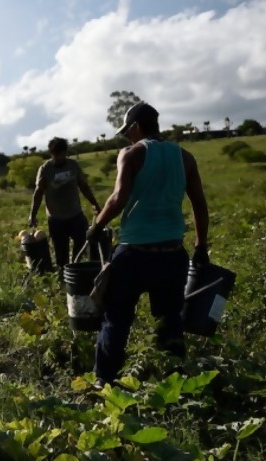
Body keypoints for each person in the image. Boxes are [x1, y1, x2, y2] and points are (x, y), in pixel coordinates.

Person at [86, 102, 209, 387]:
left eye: (127, 131)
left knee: (116, 319)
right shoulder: (185, 157)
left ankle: (104, 383)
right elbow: (200, 205)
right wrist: (201, 246)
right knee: (170, 322)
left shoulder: (131, 154)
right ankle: (175, 384)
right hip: (172, 254)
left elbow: (117, 199)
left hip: (134, 254)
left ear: (136, 127)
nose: (126, 137)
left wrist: (96, 227)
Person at [29, 137, 102, 269]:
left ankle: (76, 265)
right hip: (56, 218)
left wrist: (95, 204)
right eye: (57, 155)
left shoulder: (73, 165)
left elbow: (83, 187)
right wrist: (32, 215)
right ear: (52, 154)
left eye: (63, 154)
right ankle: (64, 274)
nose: (61, 157)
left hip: (76, 214)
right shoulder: (45, 169)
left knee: (83, 240)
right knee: (61, 252)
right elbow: (38, 193)